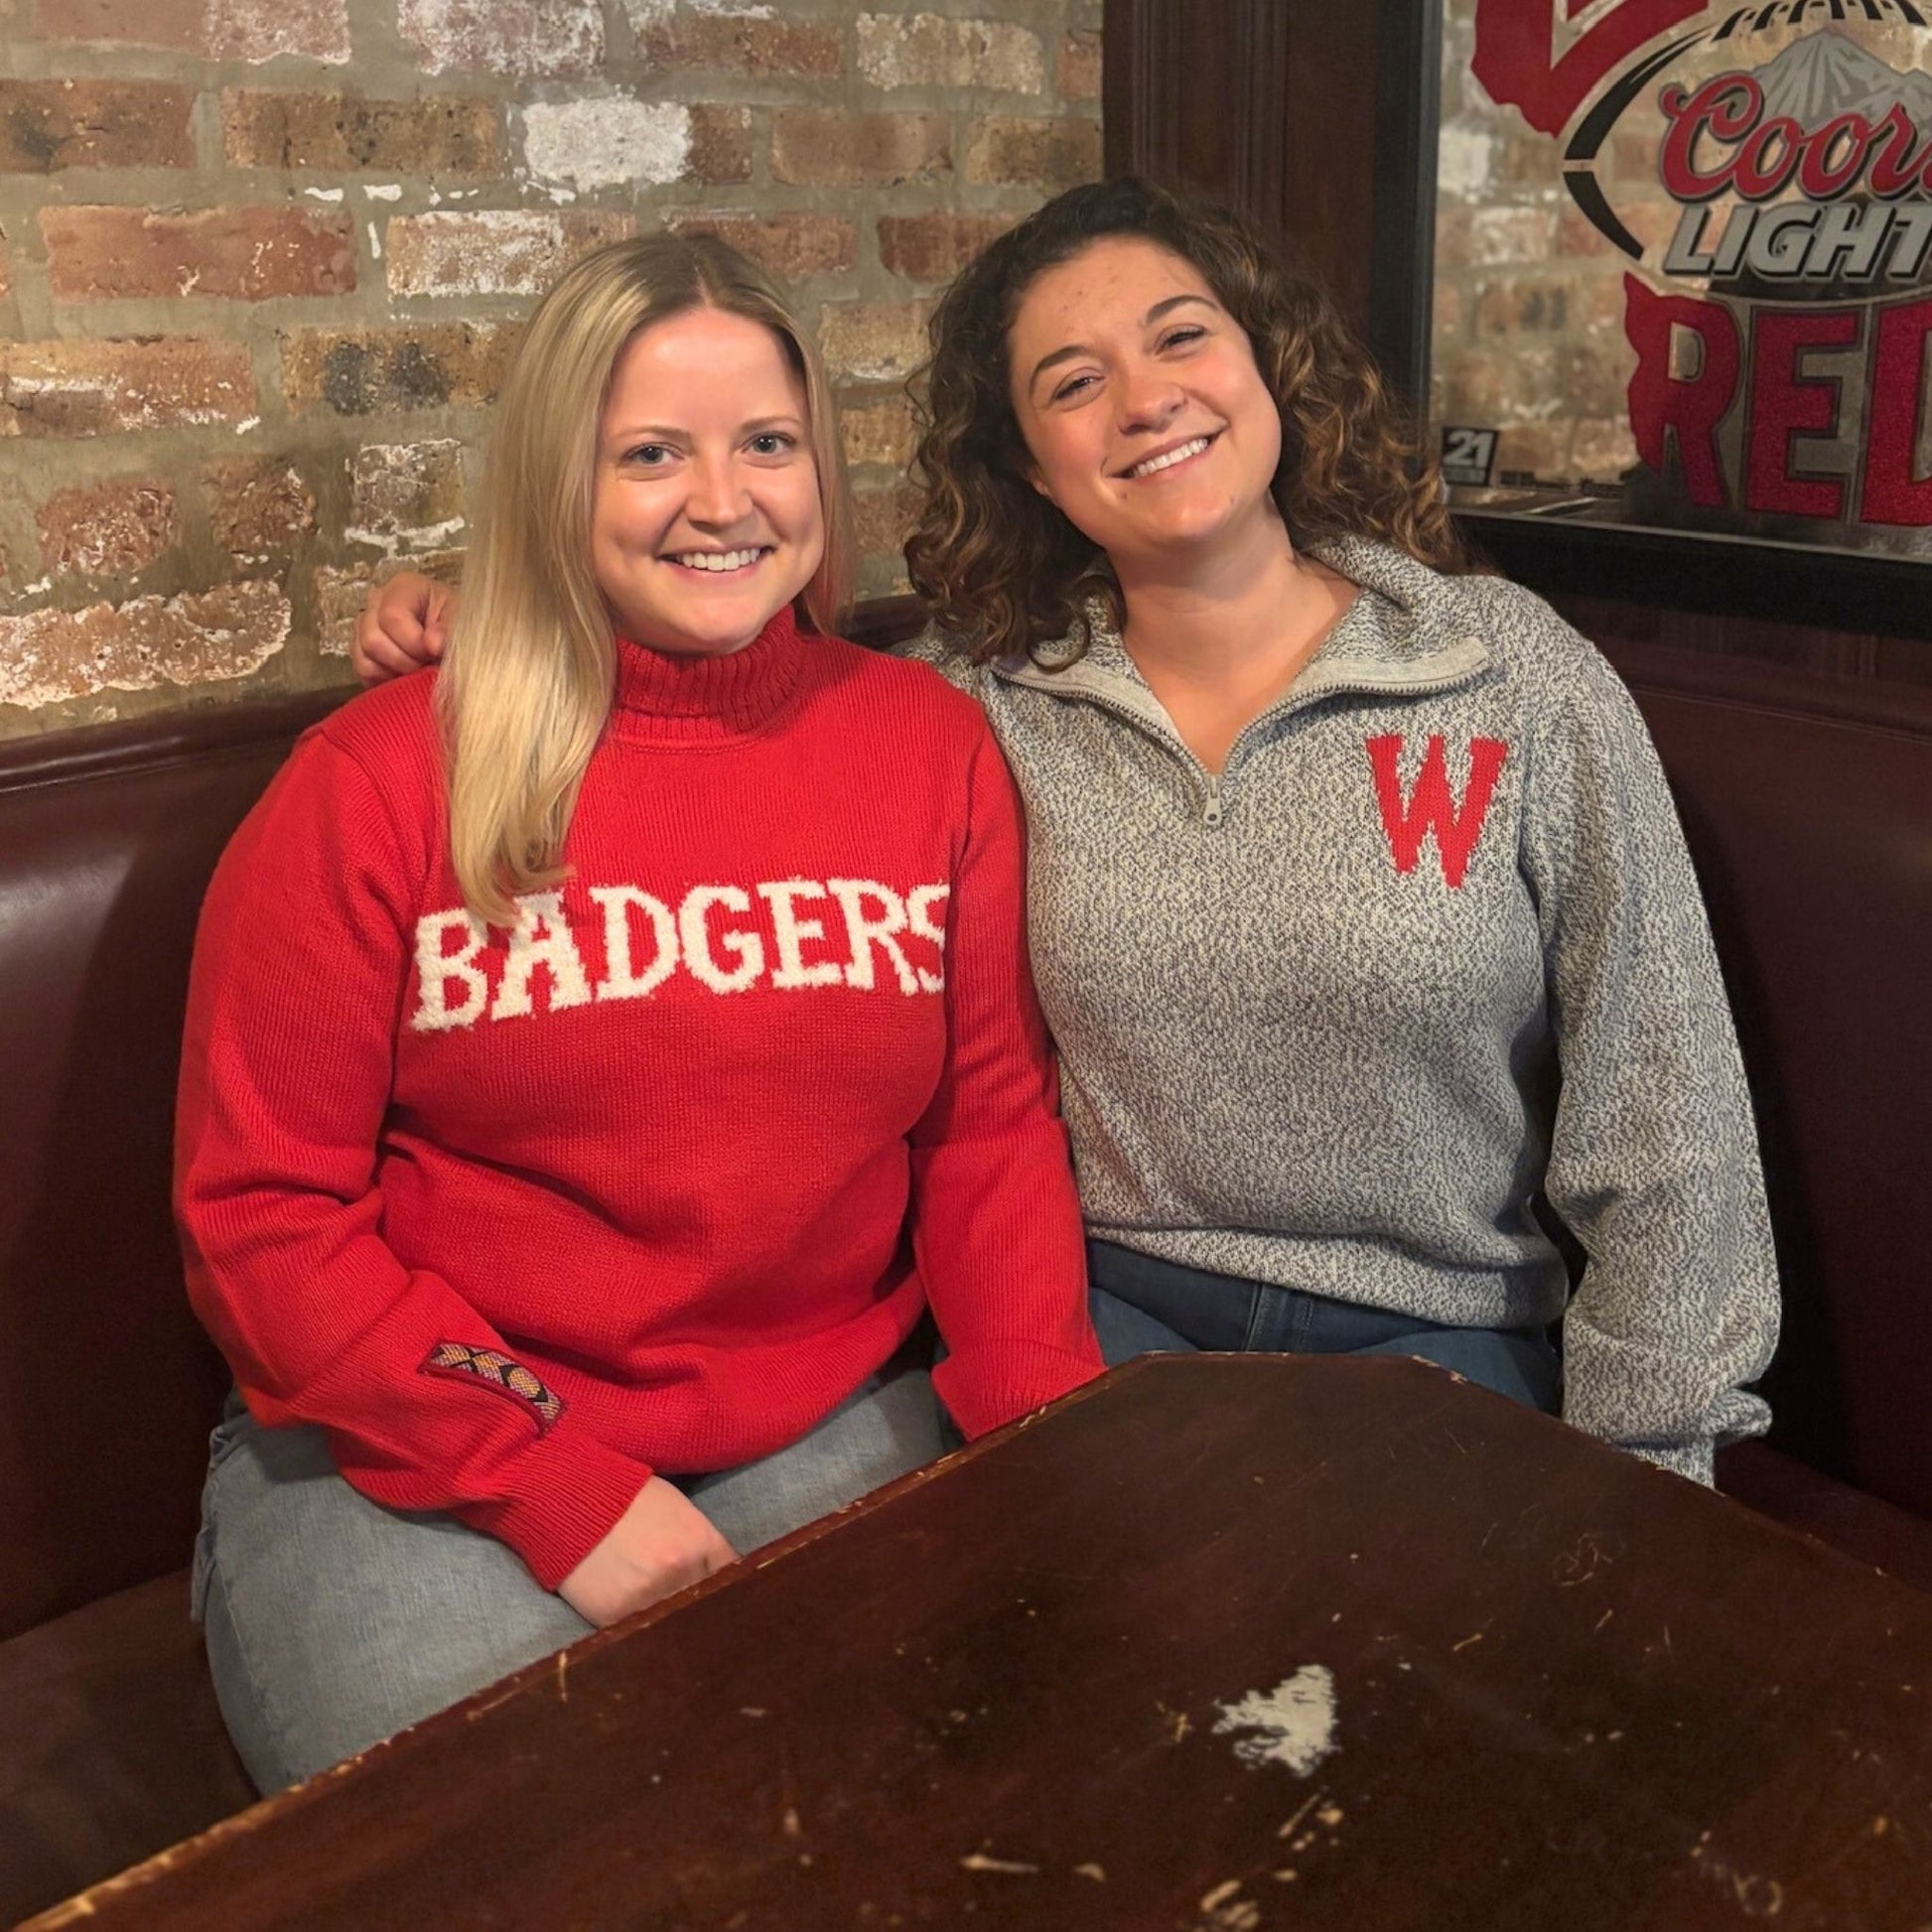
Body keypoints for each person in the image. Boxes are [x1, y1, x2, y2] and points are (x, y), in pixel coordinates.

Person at [355, 179, 1779, 1486]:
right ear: (1032, 465)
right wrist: (506, 613)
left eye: (1180, 340)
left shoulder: (1506, 676)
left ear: (1264, 364)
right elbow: (719, 685)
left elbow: (1667, 1122)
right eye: (1073, 383)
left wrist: (1647, 1476)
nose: (1145, 402)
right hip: (1098, 1321)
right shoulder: (967, 708)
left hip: (1442, 1346)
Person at [177, 233, 1101, 1794]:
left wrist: (1052, 1445)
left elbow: (986, 1133)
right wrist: (557, 1486)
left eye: (766, 443)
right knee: (528, 1845)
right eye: (650, 454)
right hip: (410, 1453)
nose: (724, 500)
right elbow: (263, 1217)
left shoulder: (926, 747)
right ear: (557, 480)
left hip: (827, 1417)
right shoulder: (381, 773)